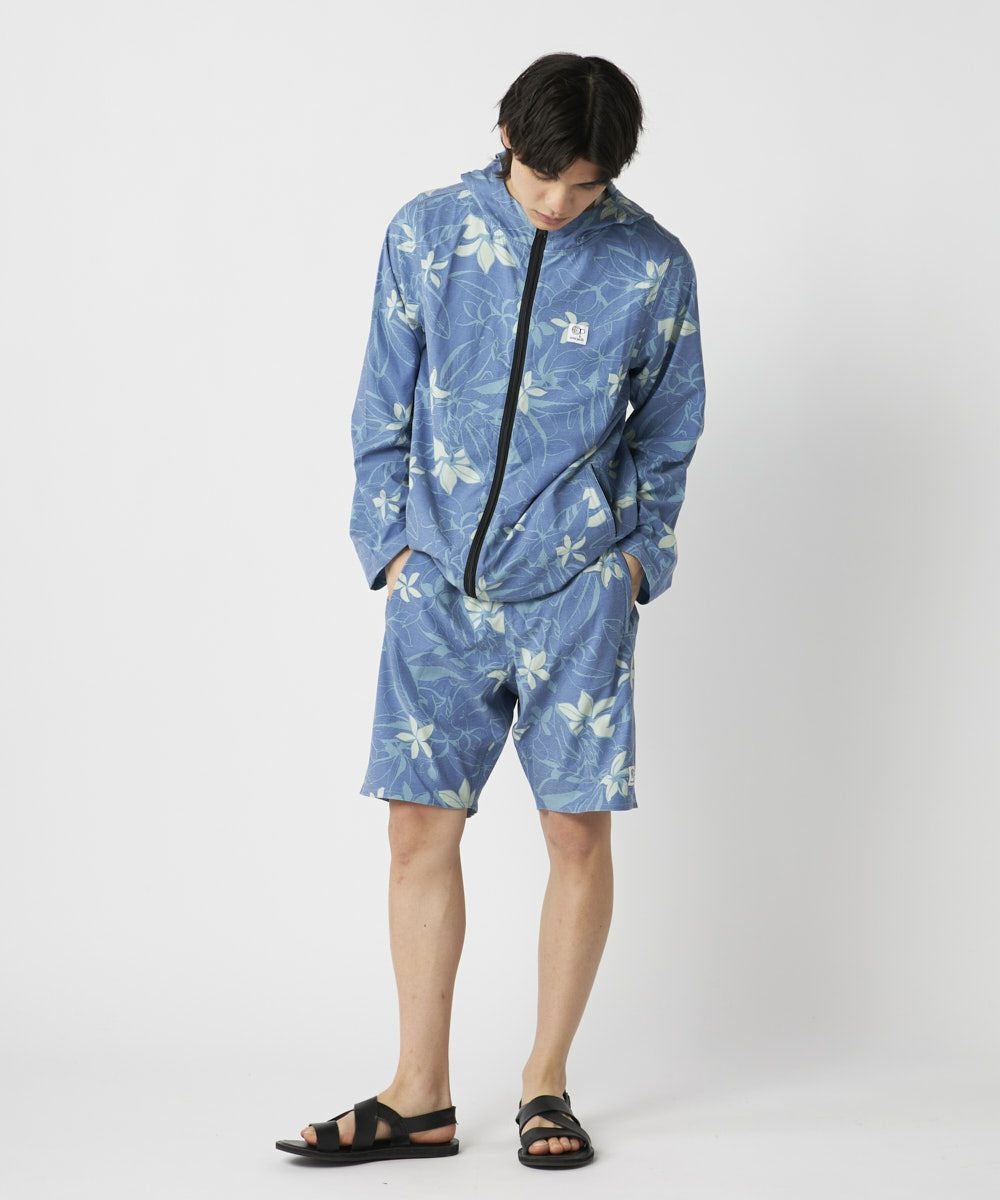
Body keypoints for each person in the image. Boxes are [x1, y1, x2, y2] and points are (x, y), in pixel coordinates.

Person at [276, 51, 706, 1171]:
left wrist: (634, 565)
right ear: (505, 136)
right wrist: (390, 551)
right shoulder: (428, 232)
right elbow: (381, 401)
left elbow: (669, 428)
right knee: (416, 828)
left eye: (585, 184)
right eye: (541, 176)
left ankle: (544, 1084)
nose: (558, 202)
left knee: (574, 831)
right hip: (439, 591)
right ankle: (418, 1095)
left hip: (577, 593)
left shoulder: (652, 265)